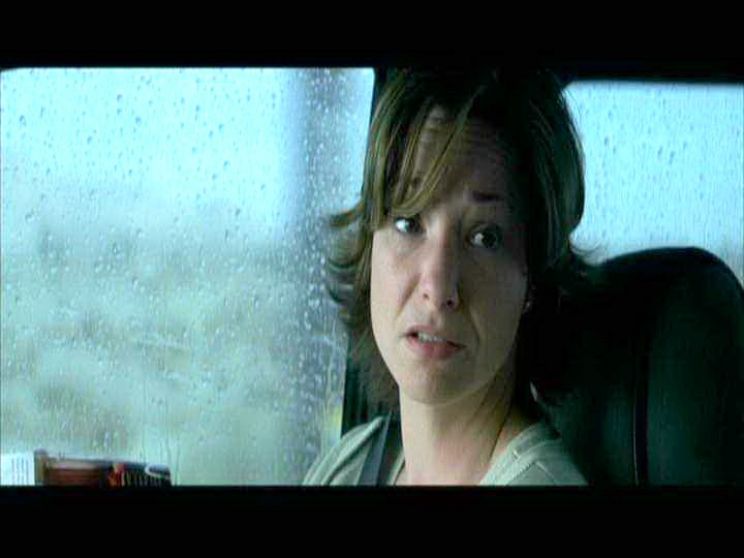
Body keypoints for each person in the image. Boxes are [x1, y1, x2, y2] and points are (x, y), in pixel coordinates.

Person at [304, 67, 597, 485]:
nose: (438, 287)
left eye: (484, 237)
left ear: (532, 279)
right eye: (408, 223)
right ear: (370, 247)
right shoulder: (349, 464)